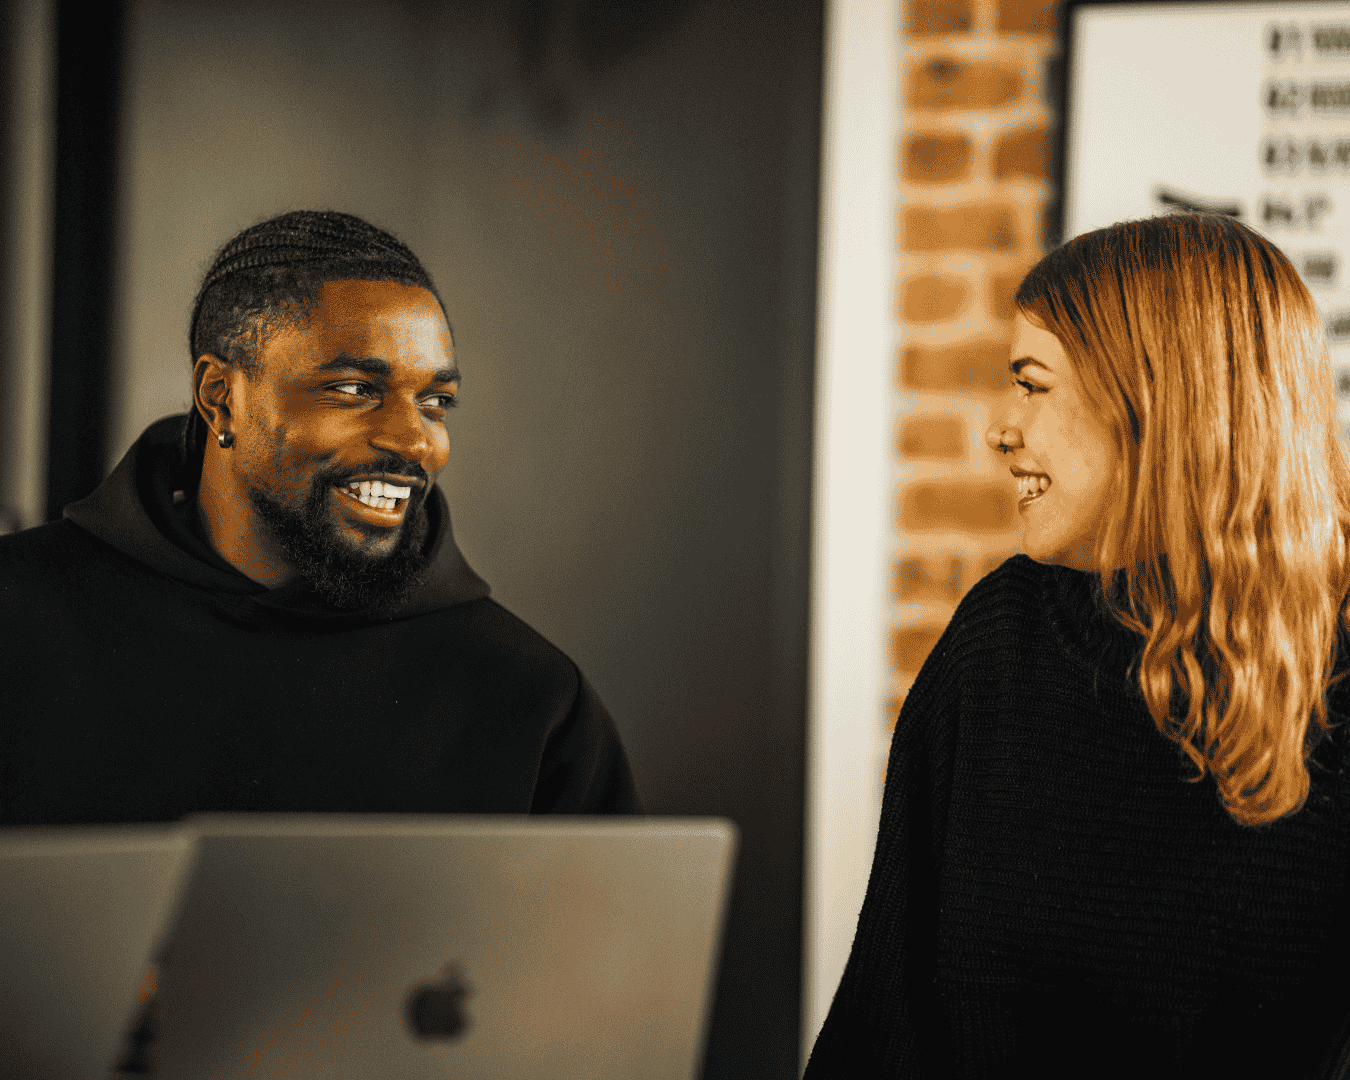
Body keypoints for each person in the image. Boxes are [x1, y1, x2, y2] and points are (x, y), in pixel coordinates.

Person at [804, 213, 1350, 1079]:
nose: (998, 429)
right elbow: (882, 1027)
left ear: (1157, 402)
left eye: (1032, 384)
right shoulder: (1000, 644)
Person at [0, 210, 640, 823]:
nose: (414, 442)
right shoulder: (18, 616)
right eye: (356, 390)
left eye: (435, 401)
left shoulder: (533, 701)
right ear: (220, 399)